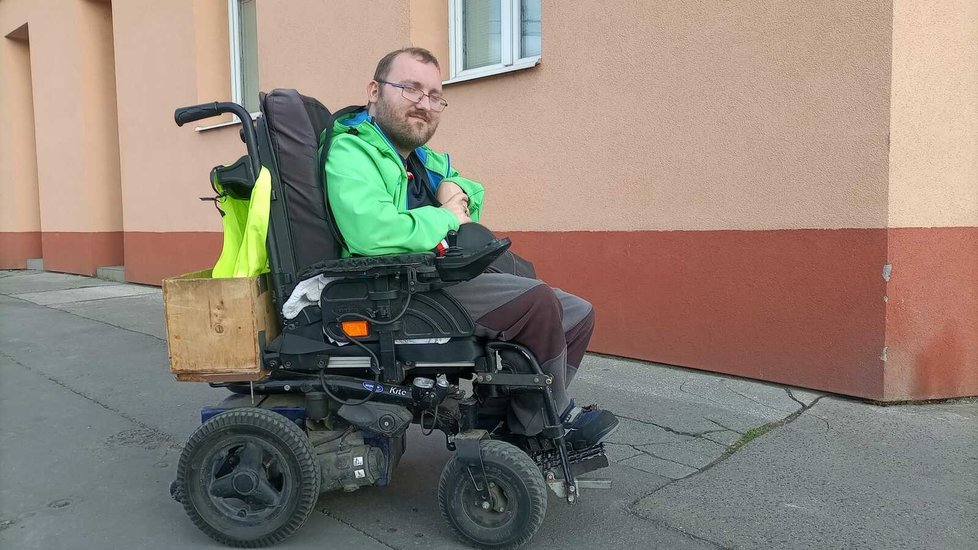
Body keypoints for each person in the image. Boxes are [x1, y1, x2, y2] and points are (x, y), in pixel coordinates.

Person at [323, 47, 618, 449]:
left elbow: (470, 195)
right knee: (537, 302)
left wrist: (454, 188)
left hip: (433, 272)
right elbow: (371, 233)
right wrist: (445, 214)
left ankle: (517, 413)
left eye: (434, 96)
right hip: (394, 287)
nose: (424, 105)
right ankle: (547, 422)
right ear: (374, 91)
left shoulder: (420, 158)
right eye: (410, 89)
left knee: (578, 314)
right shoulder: (352, 151)